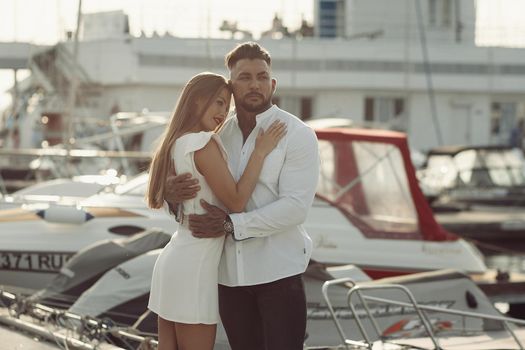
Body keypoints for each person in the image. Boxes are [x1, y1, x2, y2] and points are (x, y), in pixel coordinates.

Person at [165, 42, 320, 350]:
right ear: (231, 86)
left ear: (272, 84)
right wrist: (170, 192)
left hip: (278, 273)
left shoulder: (298, 134)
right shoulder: (215, 135)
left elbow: (295, 208)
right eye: (245, 77)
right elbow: (194, 196)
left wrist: (231, 226)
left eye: (262, 77)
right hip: (228, 277)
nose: (254, 84)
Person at [146, 72, 286, 350]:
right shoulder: (202, 142)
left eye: (226, 105)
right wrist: (259, 153)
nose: (223, 112)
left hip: (175, 260)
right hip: (194, 267)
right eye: (218, 102)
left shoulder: (176, 143)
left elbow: (163, 197)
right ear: (197, 101)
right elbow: (235, 201)